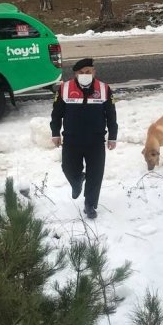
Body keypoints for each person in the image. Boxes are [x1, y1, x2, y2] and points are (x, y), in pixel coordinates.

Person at [50, 58, 118, 219]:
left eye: (88, 72)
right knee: (67, 167)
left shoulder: (104, 89)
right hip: (72, 138)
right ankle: (77, 180)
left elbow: (111, 114)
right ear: (75, 74)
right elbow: (56, 114)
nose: (85, 75)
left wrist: (113, 136)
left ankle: (90, 204)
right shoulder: (64, 89)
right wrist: (55, 133)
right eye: (81, 73)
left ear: (94, 72)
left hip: (95, 139)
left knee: (96, 174)